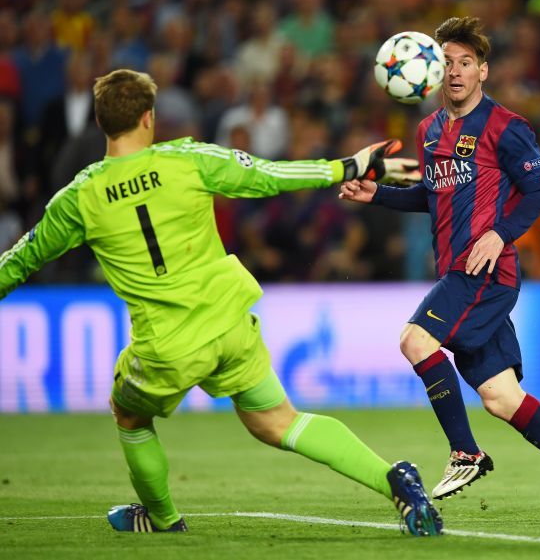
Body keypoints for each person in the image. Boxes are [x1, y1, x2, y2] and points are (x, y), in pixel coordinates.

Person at [0, 69, 441, 537]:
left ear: (101, 121)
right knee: (279, 422)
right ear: (149, 117)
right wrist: (348, 167)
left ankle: (164, 518)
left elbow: (22, 259)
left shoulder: (79, 198)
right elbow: (269, 177)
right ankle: (392, 478)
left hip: (167, 344)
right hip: (230, 320)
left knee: (129, 414)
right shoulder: (188, 158)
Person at [340, 17, 540, 520]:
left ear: (483, 71)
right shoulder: (430, 130)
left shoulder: (507, 128)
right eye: (447, 62)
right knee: (500, 396)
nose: (455, 71)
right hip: (457, 270)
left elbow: (538, 194)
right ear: (432, 70)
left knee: (415, 340)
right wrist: (377, 194)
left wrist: (499, 234)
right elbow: (432, 196)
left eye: (465, 63)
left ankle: (465, 453)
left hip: (486, 271)